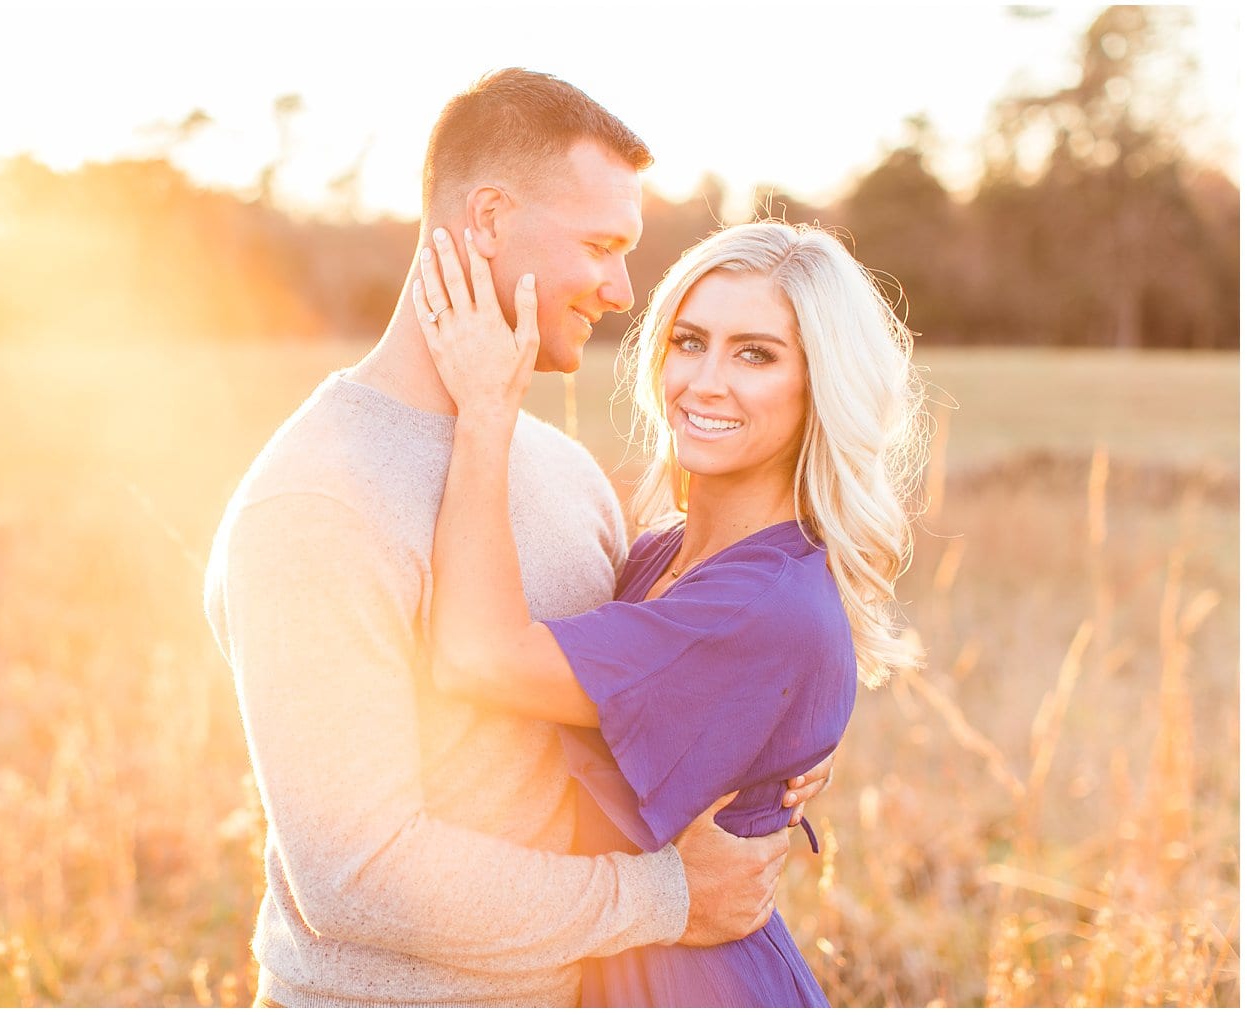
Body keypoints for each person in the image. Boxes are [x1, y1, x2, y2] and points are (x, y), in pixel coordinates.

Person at [203, 69, 833, 1008]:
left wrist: (762, 729)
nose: (623, 289)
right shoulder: (316, 505)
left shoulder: (559, 468)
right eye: (599, 245)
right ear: (489, 218)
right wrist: (664, 896)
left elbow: (620, 694)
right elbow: (355, 875)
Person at [412, 219, 928, 1005]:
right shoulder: (663, 553)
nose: (704, 381)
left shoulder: (755, 602)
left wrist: (486, 408)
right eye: (689, 341)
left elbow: (478, 658)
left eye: (754, 353)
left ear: (821, 383)